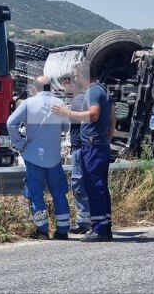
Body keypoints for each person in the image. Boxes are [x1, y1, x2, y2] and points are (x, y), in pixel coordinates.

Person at [52, 61, 117, 242]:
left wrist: (68, 113)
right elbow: (113, 118)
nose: (75, 79)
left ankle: (99, 229)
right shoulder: (104, 90)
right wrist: (106, 140)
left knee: (94, 187)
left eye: (76, 75)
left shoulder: (93, 91)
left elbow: (93, 114)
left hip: (93, 145)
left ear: (82, 76)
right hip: (100, 144)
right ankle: (104, 226)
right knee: (101, 187)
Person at [7, 76, 72, 240]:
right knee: (59, 193)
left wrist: (20, 143)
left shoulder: (28, 103)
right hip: (54, 156)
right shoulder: (59, 103)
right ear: (50, 88)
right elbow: (66, 127)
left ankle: (42, 230)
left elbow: (11, 123)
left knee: (36, 193)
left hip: (33, 155)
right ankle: (63, 230)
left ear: (34, 89)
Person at [65, 75, 91, 234]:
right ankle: (88, 219)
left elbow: (85, 120)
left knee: (78, 184)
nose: (63, 89)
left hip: (80, 148)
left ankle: (83, 221)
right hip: (82, 147)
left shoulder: (78, 99)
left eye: (65, 85)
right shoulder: (82, 98)